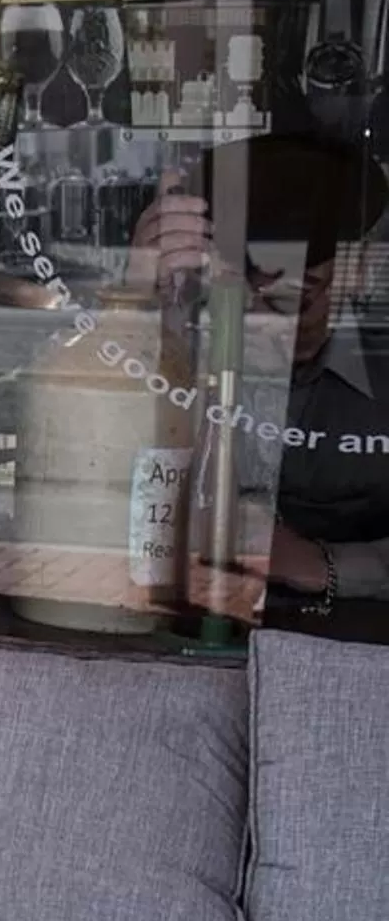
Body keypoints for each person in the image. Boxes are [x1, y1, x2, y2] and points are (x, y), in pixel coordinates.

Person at [128, 132, 389, 634]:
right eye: (252, 298)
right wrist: (137, 305)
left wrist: (318, 563)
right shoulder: (181, 350)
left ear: (349, 272)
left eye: (302, 297)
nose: (271, 324)